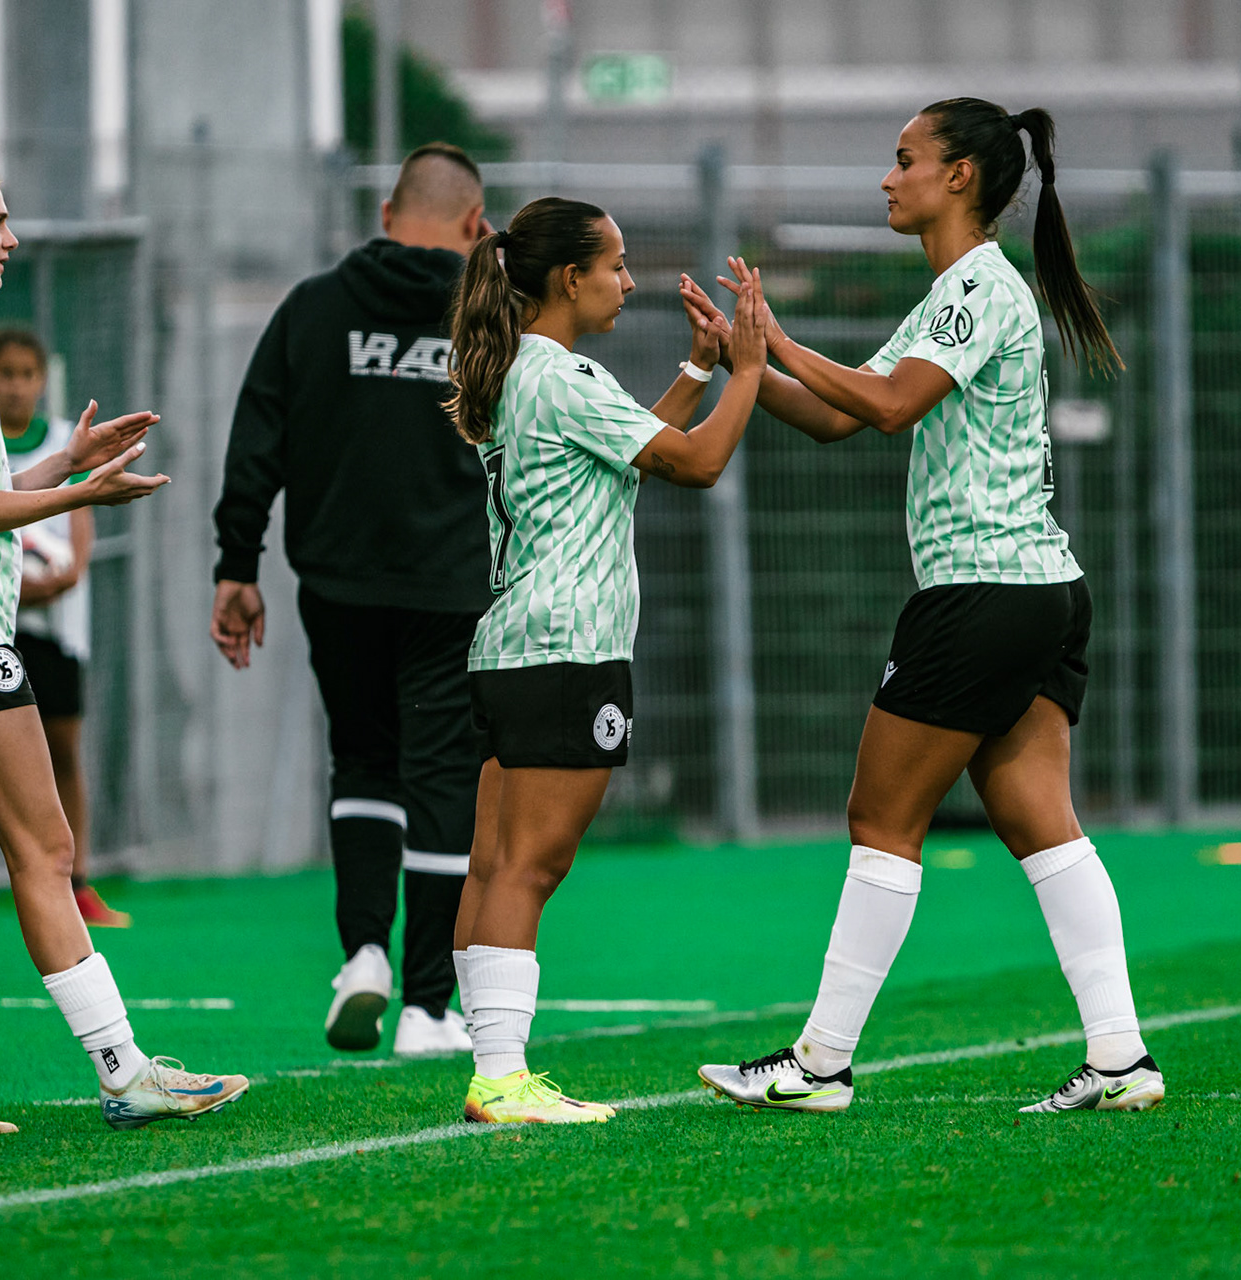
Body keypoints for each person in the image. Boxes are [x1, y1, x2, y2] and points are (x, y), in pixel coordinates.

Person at [686, 99, 1164, 1115]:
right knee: (1040, 819)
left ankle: (820, 1063)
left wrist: (775, 337)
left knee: (879, 814)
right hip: (1040, 590)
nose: (889, 177)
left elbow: (890, 402)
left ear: (959, 178)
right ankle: (1121, 1056)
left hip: (982, 592)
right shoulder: (963, 290)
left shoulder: (977, 286)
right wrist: (752, 359)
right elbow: (838, 414)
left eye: (905, 159)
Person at [0, 155, 245, 1137]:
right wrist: (81, 496)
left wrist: (64, 455)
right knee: (47, 844)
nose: (10, 237)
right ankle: (123, 1069)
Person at [445, 196, 768, 1123]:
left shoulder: (522, 372)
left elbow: (622, 451)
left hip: (513, 646)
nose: (628, 282)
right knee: (528, 870)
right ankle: (501, 1079)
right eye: (616, 266)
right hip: (567, 648)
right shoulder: (562, 373)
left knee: (493, 867)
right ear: (566, 279)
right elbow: (697, 464)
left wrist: (697, 371)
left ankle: (496, 1068)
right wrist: (747, 370)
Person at [210, 143, 494, 1058]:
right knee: (443, 776)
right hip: (450, 586)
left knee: (364, 763)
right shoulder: (490, 320)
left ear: (384, 215)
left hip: (336, 583)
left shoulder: (314, 307)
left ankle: (363, 952)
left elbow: (257, 436)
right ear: (473, 224)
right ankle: (426, 1007)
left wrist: (237, 565)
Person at [0, 326, 130, 929]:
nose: (18, 386)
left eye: (29, 374)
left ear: (44, 379)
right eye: (7, 374)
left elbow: (75, 557)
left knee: (64, 750)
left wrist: (48, 581)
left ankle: (77, 885)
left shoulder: (63, 447)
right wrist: (11, 589)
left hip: (55, 634)